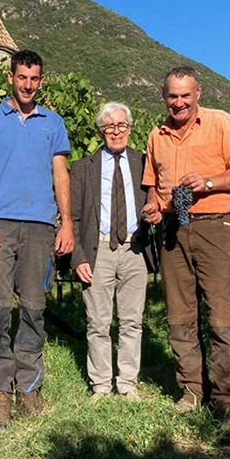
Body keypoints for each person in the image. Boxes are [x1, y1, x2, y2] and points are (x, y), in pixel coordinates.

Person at [141, 66, 230, 436]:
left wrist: (207, 182)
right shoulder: (156, 136)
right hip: (173, 230)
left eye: (185, 95)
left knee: (220, 315)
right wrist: (155, 208)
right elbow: (154, 189)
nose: (179, 102)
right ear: (164, 97)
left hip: (215, 228)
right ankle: (191, 390)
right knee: (179, 315)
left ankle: (229, 401)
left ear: (198, 92)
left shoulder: (222, 123)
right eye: (172, 96)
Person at [0, 49, 74, 429]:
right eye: (22, 77)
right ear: (10, 78)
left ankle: (28, 387)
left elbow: (60, 176)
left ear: (40, 81)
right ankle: (0, 389)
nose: (28, 84)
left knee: (33, 308)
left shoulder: (54, 123)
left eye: (34, 78)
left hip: (40, 227)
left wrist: (66, 224)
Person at [70, 102, 153, 400]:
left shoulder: (144, 163)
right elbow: (74, 218)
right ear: (101, 130)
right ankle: (101, 386)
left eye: (121, 126)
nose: (116, 132)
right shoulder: (82, 169)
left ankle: (127, 384)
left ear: (129, 128)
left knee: (133, 321)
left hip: (135, 249)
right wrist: (78, 257)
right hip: (99, 250)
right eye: (109, 126)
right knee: (98, 322)